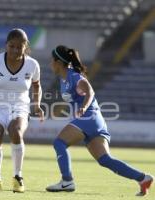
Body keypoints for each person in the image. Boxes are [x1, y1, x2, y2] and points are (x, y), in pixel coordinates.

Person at [45, 45, 153, 196]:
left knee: (59, 143)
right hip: (94, 120)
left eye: (52, 61)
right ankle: (143, 178)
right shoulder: (64, 79)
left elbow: (90, 91)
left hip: (87, 117)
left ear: (58, 62)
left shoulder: (74, 76)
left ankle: (67, 181)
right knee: (104, 160)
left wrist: (82, 108)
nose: (50, 64)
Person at [0, 28, 44, 193]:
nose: (15, 50)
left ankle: (18, 177)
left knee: (15, 132)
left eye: (19, 46)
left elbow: (36, 85)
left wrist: (37, 104)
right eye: (12, 46)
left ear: (25, 47)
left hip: (20, 106)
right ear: (6, 45)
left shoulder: (32, 64)